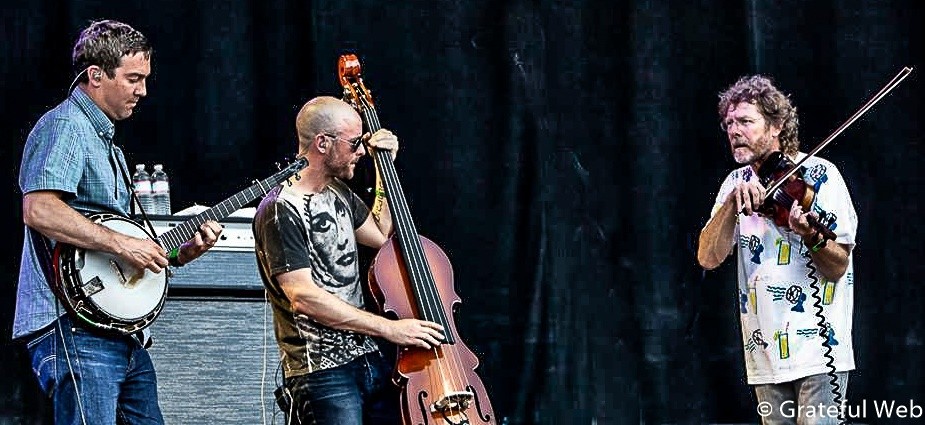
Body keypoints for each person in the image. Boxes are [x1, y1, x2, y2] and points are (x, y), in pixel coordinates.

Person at [14, 19, 223, 424]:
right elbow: (39, 209)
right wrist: (121, 243)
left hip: (116, 331)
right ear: (96, 75)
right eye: (133, 79)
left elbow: (124, 244)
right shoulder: (66, 127)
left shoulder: (105, 141)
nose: (142, 90)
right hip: (73, 326)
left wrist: (182, 252)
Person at [252, 96, 446, 424]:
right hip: (322, 372)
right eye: (355, 143)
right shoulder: (280, 208)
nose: (361, 151)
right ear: (323, 143)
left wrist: (385, 168)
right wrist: (390, 329)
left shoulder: (339, 192)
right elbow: (304, 297)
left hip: (366, 358)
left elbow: (381, 235)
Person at [697, 75, 857, 425]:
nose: (734, 131)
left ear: (777, 126)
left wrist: (809, 234)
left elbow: (838, 265)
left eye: (745, 121)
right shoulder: (734, 184)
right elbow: (708, 256)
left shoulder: (820, 175)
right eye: (729, 123)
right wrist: (730, 206)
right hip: (763, 354)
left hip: (818, 349)